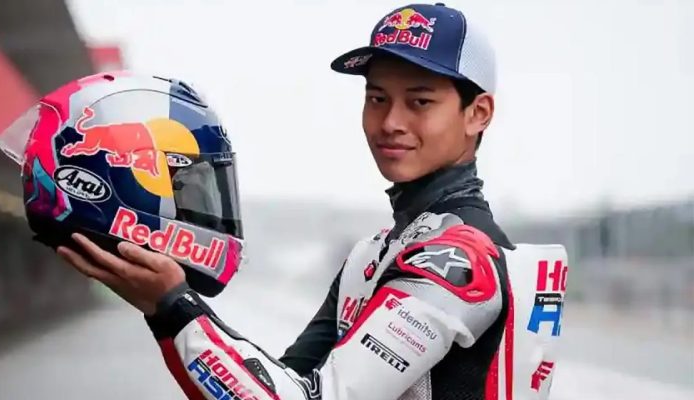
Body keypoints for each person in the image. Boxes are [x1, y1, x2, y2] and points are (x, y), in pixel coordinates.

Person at [58, 3, 570, 400]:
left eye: (419, 101)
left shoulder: (459, 260)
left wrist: (173, 306)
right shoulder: (374, 254)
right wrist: (169, 305)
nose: (391, 122)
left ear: (478, 113)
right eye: (376, 98)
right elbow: (285, 382)